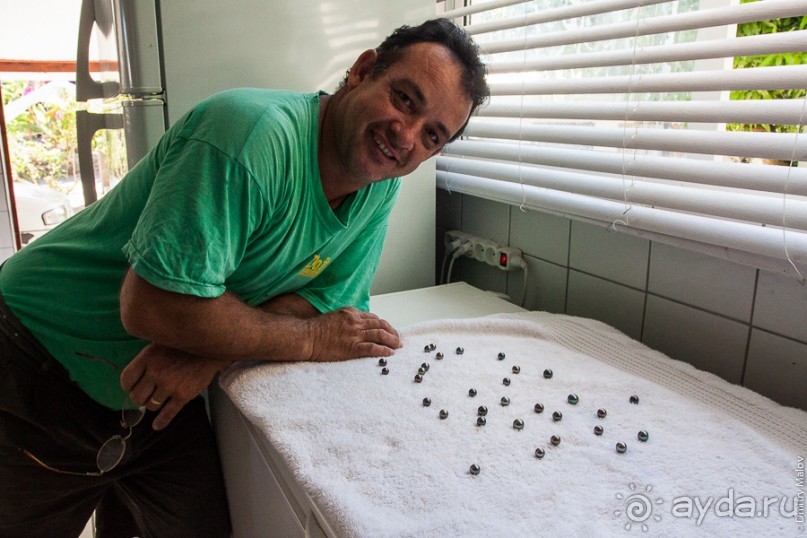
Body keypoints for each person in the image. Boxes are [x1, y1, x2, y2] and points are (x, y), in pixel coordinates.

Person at [0, 17, 488, 538]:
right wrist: (311, 340)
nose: (406, 135)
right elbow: (151, 306)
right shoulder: (251, 136)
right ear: (362, 71)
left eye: (432, 135)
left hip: (158, 391)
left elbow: (321, 299)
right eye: (405, 99)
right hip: (33, 356)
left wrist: (205, 354)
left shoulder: (378, 183)